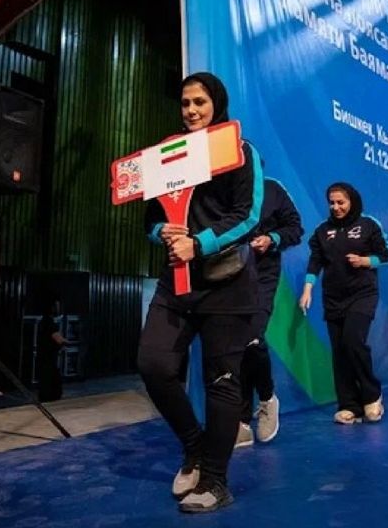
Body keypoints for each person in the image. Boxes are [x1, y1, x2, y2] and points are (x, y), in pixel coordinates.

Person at [137, 72, 262, 513]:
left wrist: (200, 243)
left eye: (200, 102)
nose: (191, 110)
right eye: (186, 102)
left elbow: (248, 216)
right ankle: (194, 446)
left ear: (217, 104)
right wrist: (160, 232)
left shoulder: (240, 150)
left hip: (227, 285)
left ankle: (215, 481)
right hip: (176, 282)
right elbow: (150, 218)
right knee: (153, 364)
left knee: (221, 382)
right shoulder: (168, 153)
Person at [299, 183, 388, 424]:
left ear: (352, 201)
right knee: (340, 351)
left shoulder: (368, 225)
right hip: (333, 298)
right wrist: (307, 289)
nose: (336, 207)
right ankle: (349, 405)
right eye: (332, 203)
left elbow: (385, 256)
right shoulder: (322, 231)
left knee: (353, 342)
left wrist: (365, 261)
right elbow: (315, 262)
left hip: (362, 294)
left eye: (341, 202)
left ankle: (372, 396)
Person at [235, 176, 303, 448]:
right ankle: (240, 422)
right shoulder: (220, 191)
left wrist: (272, 238)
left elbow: (295, 228)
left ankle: (266, 398)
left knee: (252, 338)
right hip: (226, 276)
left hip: (261, 275)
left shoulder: (272, 189)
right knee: (234, 347)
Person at [36, 300, 68, 402]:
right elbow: (58, 339)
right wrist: (65, 341)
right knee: (51, 378)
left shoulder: (43, 322)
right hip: (48, 356)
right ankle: (49, 397)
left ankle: (45, 396)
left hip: (44, 355)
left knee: (46, 377)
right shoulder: (49, 323)